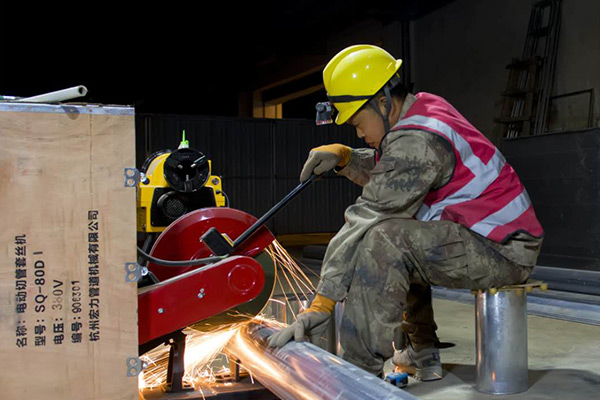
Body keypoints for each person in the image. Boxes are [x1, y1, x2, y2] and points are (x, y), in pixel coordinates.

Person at [267, 44, 544, 380]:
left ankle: (358, 375)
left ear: (383, 102)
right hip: (493, 239)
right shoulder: (423, 109)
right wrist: (346, 158)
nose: (357, 132)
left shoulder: (417, 141)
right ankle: (424, 352)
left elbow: (371, 210)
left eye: (357, 122)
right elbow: (399, 174)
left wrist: (323, 302)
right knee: (404, 229)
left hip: (503, 251)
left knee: (384, 239)